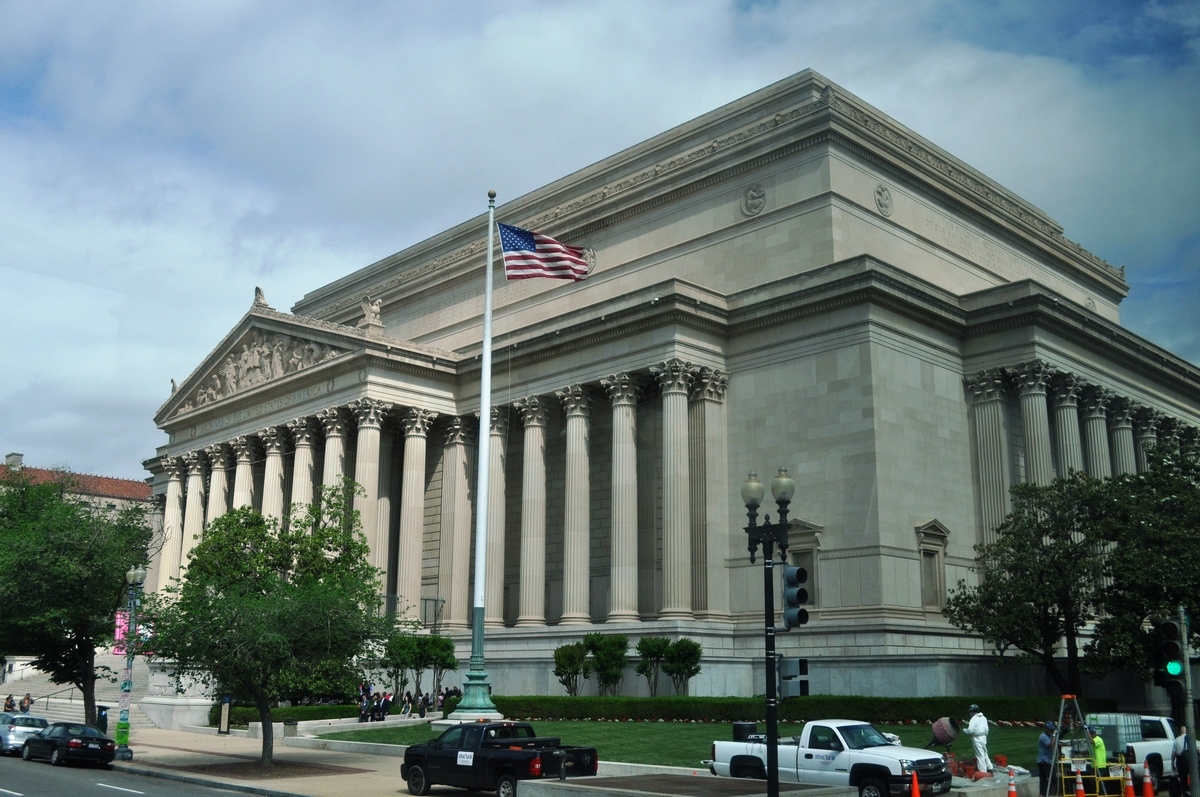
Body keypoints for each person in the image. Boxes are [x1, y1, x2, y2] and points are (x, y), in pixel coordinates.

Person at [964, 704, 992, 774]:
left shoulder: (974, 719)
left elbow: (970, 730)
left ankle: (983, 772)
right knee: (985, 753)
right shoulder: (984, 718)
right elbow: (987, 730)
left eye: (971, 711)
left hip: (977, 738)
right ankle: (990, 767)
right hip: (983, 737)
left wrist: (965, 730)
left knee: (980, 755)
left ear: (973, 711)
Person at [1038, 721, 1057, 797]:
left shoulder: (1049, 736)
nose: (1051, 731)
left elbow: (1055, 743)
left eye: (1052, 730)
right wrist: (1054, 735)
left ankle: (1045, 793)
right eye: (1049, 729)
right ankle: (1042, 794)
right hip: (1043, 761)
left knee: (1053, 779)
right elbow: (1051, 745)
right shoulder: (1043, 736)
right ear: (1045, 729)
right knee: (1044, 779)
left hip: (1049, 761)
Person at [1173, 725, 1193, 796]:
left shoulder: (1176, 740)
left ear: (1180, 732)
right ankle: (1191, 790)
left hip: (1180, 761)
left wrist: (1172, 764)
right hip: (1190, 761)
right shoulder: (1190, 739)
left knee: (1183, 778)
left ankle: (1185, 791)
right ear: (1186, 731)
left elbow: (1173, 754)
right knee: (1192, 776)